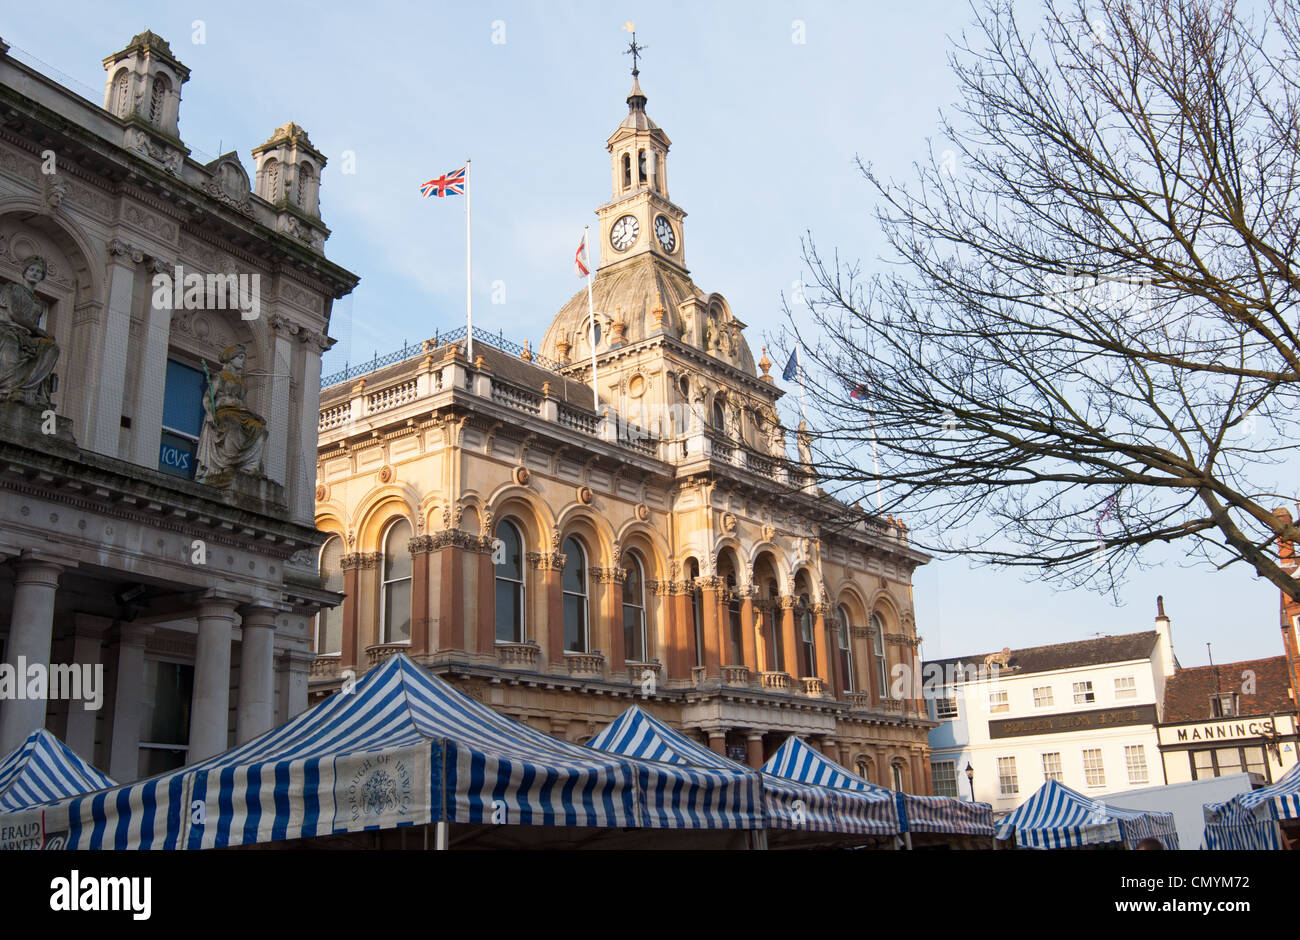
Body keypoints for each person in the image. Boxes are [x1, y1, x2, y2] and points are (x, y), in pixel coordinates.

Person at [195, 343, 268, 483]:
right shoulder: (220, 377)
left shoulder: (240, 382)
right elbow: (207, 398)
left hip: (239, 412)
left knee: (260, 429)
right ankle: (228, 463)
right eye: (240, 357)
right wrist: (210, 414)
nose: (242, 361)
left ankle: (250, 467)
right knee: (232, 425)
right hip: (224, 412)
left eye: (243, 358)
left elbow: (241, 403)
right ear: (231, 359)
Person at [0, 255, 60, 405]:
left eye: (39, 272)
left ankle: (27, 388)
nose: (34, 273)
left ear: (42, 277)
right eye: (32, 269)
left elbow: (32, 329)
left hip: (26, 335)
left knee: (51, 348)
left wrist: (40, 334)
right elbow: (14, 313)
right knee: (10, 343)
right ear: (25, 272)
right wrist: (38, 331)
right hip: (7, 329)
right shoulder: (12, 288)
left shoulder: (38, 303)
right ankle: (8, 389)